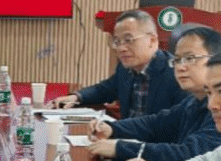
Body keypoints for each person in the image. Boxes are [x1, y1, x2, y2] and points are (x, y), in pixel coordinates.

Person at [86, 26, 221, 161]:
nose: (180, 67)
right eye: (177, 60)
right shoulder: (193, 101)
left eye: (190, 58)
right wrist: (112, 128)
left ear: (217, 60)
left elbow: (191, 154)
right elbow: (156, 124)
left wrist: (120, 149)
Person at [49, 9, 186, 118]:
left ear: (152, 41)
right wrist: (77, 96)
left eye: (128, 40)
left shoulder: (177, 74)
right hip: (126, 138)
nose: (121, 48)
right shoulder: (125, 69)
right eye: (117, 41)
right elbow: (105, 89)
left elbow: (175, 128)